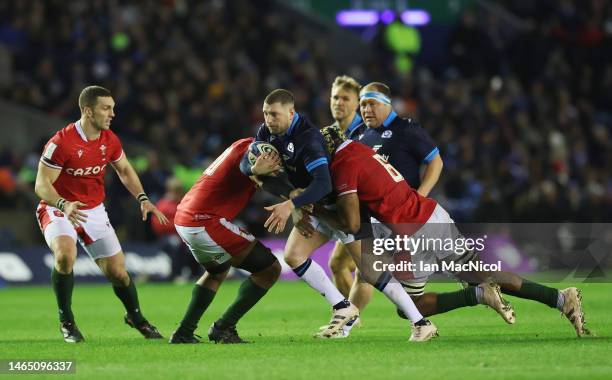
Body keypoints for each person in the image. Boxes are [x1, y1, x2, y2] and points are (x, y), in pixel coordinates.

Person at [319, 125, 588, 338]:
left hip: (412, 231)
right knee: (481, 273)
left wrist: (314, 208)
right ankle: (560, 298)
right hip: (432, 215)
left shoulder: (344, 164)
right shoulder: (362, 150)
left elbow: (352, 222)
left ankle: (479, 295)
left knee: (410, 306)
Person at [34, 85, 168, 343]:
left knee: (118, 273)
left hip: (93, 210)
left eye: (113, 108)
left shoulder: (110, 140)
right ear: (87, 111)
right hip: (58, 207)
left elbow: (125, 170)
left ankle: (136, 318)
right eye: (106, 108)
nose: (112, 114)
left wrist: (143, 198)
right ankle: (67, 322)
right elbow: (41, 185)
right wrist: (63, 204)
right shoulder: (61, 142)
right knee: (65, 255)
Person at [249, 89, 359, 338]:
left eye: (274, 114)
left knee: (372, 272)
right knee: (293, 256)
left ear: (291, 113)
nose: (268, 119)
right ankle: (342, 308)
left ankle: (419, 321)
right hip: (318, 210)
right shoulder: (266, 133)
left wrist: (291, 206)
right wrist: (256, 170)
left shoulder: (308, 138)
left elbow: (324, 184)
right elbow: (255, 171)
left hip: (341, 207)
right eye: (265, 113)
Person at [170, 138, 283, 344]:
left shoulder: (244, 144)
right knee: (270, 269)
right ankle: (224, 327)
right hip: (205, 220)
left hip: (187, 216)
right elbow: (252, 170)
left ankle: (183, 333)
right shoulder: (258, 150)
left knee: (217, 272)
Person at [150, 176, 201, 282]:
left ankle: (195, 274)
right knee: (175, 243)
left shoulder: (185, 204)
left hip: (184, 236)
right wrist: (178, 226)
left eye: (179, 191)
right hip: (167, 237)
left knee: (196, 244)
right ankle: (176, 275)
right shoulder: (163, 205)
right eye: (176, 191)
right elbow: (157, 226)